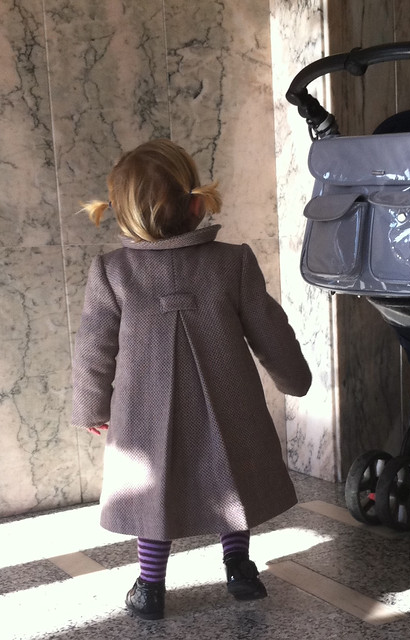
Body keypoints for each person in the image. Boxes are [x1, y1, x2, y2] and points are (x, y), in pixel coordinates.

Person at [71, 138, 312, 621]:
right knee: (232, 482)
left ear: (117, 213)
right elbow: (270, 328)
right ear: (197, 203)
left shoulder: (113, 271)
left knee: (151, 490)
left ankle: (150, 585)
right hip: (229, 405)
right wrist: (294, 378)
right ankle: (239, 567)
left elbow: (93, 347)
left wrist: (93, 407)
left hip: (143, 413)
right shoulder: (233, 262)